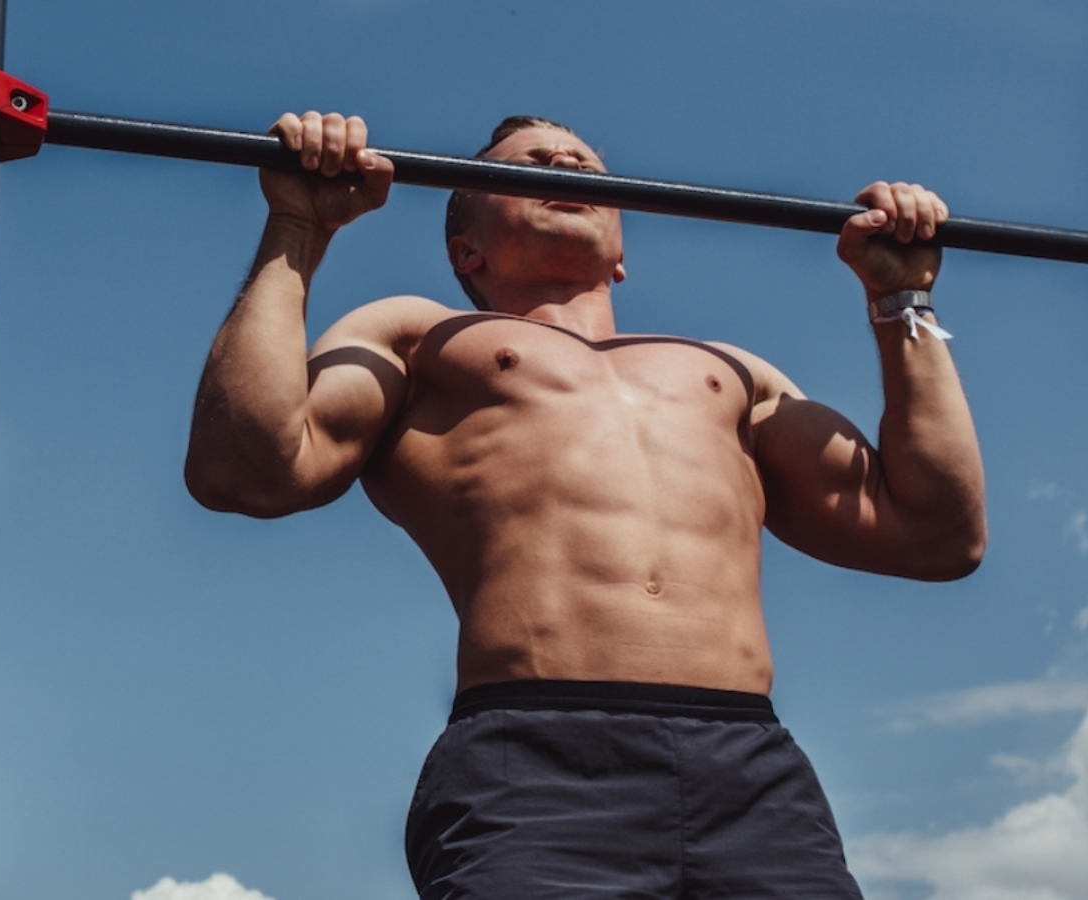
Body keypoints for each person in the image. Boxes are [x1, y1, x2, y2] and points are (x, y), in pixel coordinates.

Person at [184, 110, 985, 899]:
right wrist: (297, 226)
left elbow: (937, 534)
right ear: (467, 246)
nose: (565, 167)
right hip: (536, 762)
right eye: (532, 162)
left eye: (584, 165)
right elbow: (247, 470)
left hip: (751, 769)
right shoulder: (419, 336)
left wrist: (902, 301)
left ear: (623, 248)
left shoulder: (729, 372)